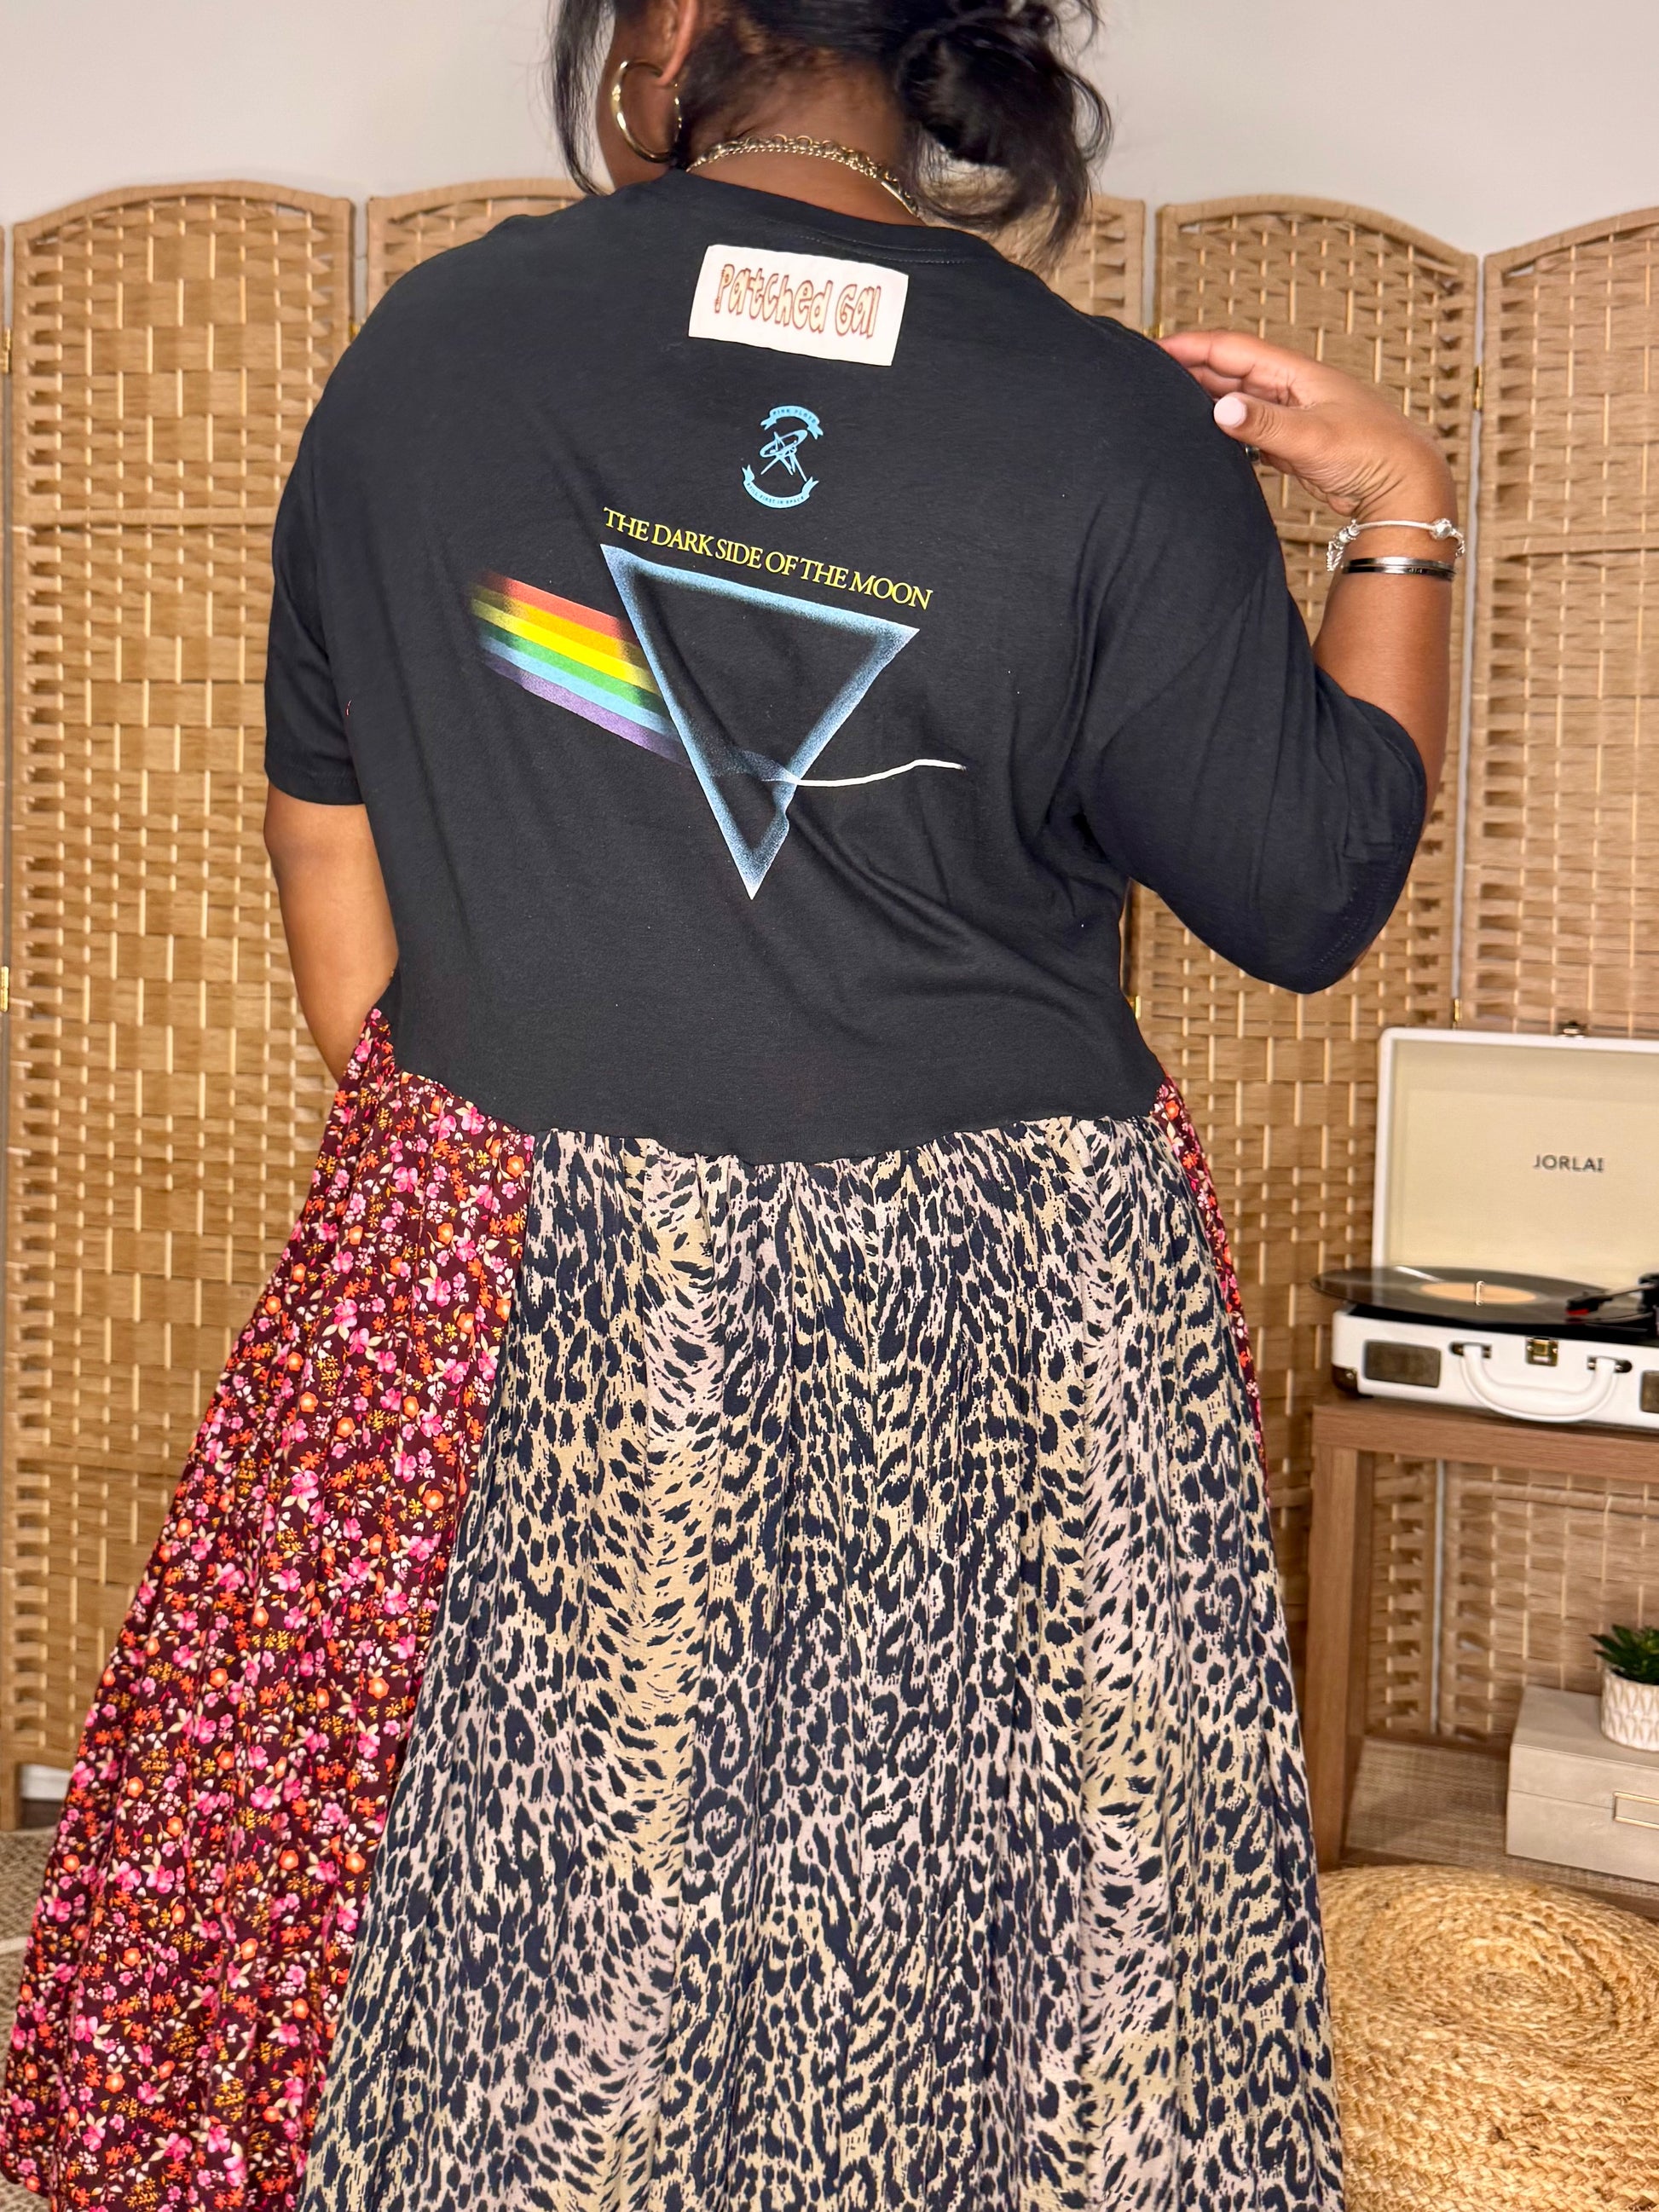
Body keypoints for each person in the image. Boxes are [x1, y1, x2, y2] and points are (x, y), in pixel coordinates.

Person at [6, 0, 1457, 2204]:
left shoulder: (431, 351)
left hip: (508, 1253)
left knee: (485, 1933)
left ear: (676, 25)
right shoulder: (1103, 419)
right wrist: (1402, 516)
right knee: (976, 1961)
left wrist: (486, 1153)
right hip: (1007, 1324)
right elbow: (1309, 886)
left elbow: (330, 842)